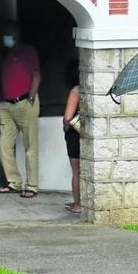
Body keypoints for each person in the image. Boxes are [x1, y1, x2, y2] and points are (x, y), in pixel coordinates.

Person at [0, 21, 42, 198]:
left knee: (30, 145)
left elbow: (36, 75)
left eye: (7, 34)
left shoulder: (27, 51)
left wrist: (31, 97)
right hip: (7, 105)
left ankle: (32, 185)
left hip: (24, 102)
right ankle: (13, 182)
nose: (4, 37)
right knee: (4, 145)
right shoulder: (6, 54)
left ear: (16, 35)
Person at [62, 60, 82, 215]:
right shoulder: (90, 89)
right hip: (88, 134)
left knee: (76, 172)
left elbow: (68, 117)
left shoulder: (76, 91)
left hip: (75, 134)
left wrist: (66, 128)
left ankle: (77, 204)